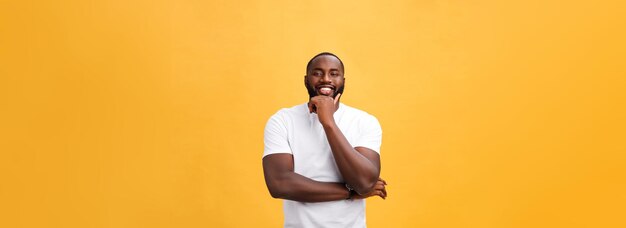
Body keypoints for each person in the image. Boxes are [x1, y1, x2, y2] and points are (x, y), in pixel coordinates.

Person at [262, 52, 387, 228]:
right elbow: (280, 184)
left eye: (334, 73)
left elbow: (364, 182)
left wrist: (328, 123)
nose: (326, 79)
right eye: (317, 73)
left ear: (343, 81)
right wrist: (351, 192)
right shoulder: (282, 120)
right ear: (306, 80)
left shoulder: (365, 121)